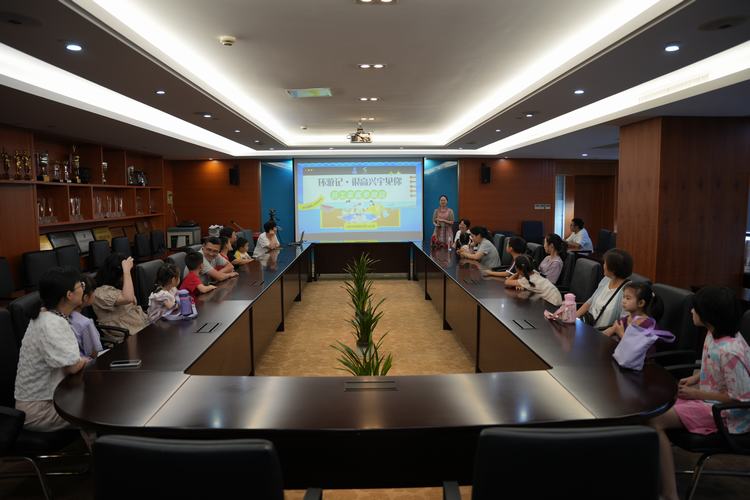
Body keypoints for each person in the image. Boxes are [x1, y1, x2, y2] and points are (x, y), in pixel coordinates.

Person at [649, 286, 750, 500]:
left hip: (728, 416)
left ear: (709, 315)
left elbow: (740, 397)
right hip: (708, 402)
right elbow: (715, 370)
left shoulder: (730, 352)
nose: (691, 312)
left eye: (695, 309)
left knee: (655, 420)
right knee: (650, 406)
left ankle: (669, 494)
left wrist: (696, 394)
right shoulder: (713, 334)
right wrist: (696, 379)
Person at [14, 267, 90, 431]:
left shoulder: (46, 314)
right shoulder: (51, 323)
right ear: (69, 295)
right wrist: (84, 361)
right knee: (96, 407)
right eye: (81, 285)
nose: (84, 289)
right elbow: (71, 368)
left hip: (52, 397)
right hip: (39, 410)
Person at [576, 248, 633, 329]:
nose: (603, 265)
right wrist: (573, 318)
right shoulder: (606, 280)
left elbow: (623, 323)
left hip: (604, 334)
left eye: (605, 263)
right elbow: (590, 302)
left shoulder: (628, 292)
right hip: (588, 327)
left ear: (613, 269)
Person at [93, 253, 148, 336]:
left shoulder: (120, 286)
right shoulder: (100, 293)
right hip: (126, 335)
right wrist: (126, 271)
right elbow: (128, 298)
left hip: (140, 326)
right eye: (124, 275)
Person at [70, 275, 103, 357]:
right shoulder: (85, 323)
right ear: (86, 297)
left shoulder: (61, 316)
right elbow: (94, 353)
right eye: (93, 291)